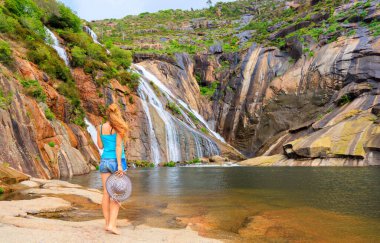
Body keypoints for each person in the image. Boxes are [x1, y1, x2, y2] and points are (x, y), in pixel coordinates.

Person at [97, 103, 128, 235]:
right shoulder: (119, 127)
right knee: (116, 195)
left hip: (104, 161)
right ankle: (112, 225)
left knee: (106, 193)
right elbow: (118, 147)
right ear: (117, 114)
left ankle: (107, 223)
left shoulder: (99, 128)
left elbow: (100, 145)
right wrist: (120, 165)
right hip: (116, 162)